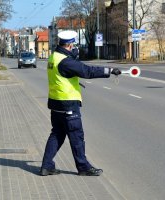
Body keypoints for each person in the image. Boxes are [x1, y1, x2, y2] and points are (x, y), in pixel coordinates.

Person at [40, 30, 121, 176]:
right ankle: (83, 167)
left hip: (55, 104)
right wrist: (109, 70)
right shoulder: (66, 61)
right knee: (76, 136)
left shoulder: (54, 57)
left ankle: (46, 166)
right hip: (68, 105)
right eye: (74, 45)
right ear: (70, 45)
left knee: (57, 134)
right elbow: (87, 71)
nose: (75, 48)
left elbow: (65, 76)